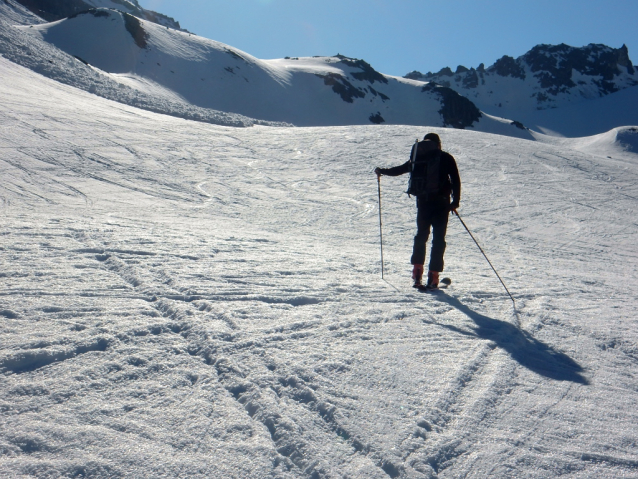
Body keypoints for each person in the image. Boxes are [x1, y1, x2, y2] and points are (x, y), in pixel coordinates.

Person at [375, 133, 461, 289]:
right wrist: (455, 202)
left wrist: (382, 171)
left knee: (421, 235)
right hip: (442, 204)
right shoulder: (446, 158)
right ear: (438, 144)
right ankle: (434, 277)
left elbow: (400, 169)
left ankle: (417, 273)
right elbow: (455, 179)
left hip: (423, 203)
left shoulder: (418, 158)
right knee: (438, 239)